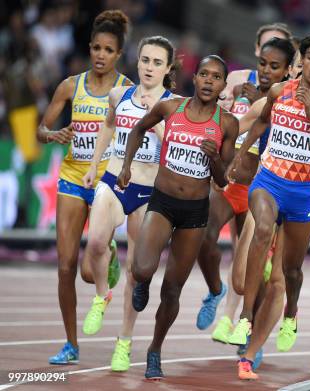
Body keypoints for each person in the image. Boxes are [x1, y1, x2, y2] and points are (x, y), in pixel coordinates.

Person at [225, 34, 310, 380]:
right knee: (262, 230)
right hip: (269, 181)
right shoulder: (280, 91)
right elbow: (261, 120)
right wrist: (239, 152)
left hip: (303, 193)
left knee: (292, 271)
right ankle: (246, 317)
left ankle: (291, 311)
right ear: (302, 60)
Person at [116, 55, 238, 379]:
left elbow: (224, 181)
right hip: (163, 202)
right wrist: (126, 166)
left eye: (216, 77)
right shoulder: (171, 108)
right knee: (141, 270)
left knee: (172, 290)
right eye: (204, 75)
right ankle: (141, 283)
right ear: (194, 78)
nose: (209, 81)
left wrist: (214, 160)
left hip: (195, 212)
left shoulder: (228, 124)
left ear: (224, 85)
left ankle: (154, 350)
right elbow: (137, 130)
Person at [36, 9, 131, 365]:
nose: (100, 55)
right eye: (96, 48)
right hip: (73, 178)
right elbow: (40, 130)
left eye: (108, 50)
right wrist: (52, 135)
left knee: (90, 275)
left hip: (106, 181)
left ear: (118, 54)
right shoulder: (70, 86)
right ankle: (71, 344)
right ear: (89, 49)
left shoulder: (126, 91)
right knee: (65, 267)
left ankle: (108, 261)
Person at [79, 36, 176, 372]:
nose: (149, 67)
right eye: (145, 60)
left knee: (136, 271)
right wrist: (94, 164)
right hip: (112, 178)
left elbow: (176, 146)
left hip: (147, 191)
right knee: (93, 244)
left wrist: (157, 120)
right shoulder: (119, 95)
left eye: (157, 63)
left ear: (168, 69)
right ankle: (101, 295)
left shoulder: (173, 104)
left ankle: (124, 340)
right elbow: (108, 126)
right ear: (137, 62)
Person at [195, 38, 296, 335]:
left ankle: (251, 330)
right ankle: (215, 290)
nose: (265, 72)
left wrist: (257, 104)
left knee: (245, 276)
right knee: (204, 236)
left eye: (274, 67)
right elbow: (231, 127)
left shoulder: (286, 102)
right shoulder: (241, 89)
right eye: (263, 64)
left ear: (287, 71)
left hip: (260, 190)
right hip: (231, 185)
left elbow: (279, 140)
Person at [219, 23, 292, 111]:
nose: (265, 70)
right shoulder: (238, 84)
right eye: (262, 63)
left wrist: (257, 102)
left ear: (288, 69)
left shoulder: (289, 98)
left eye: (274, 67)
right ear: (258, 50)